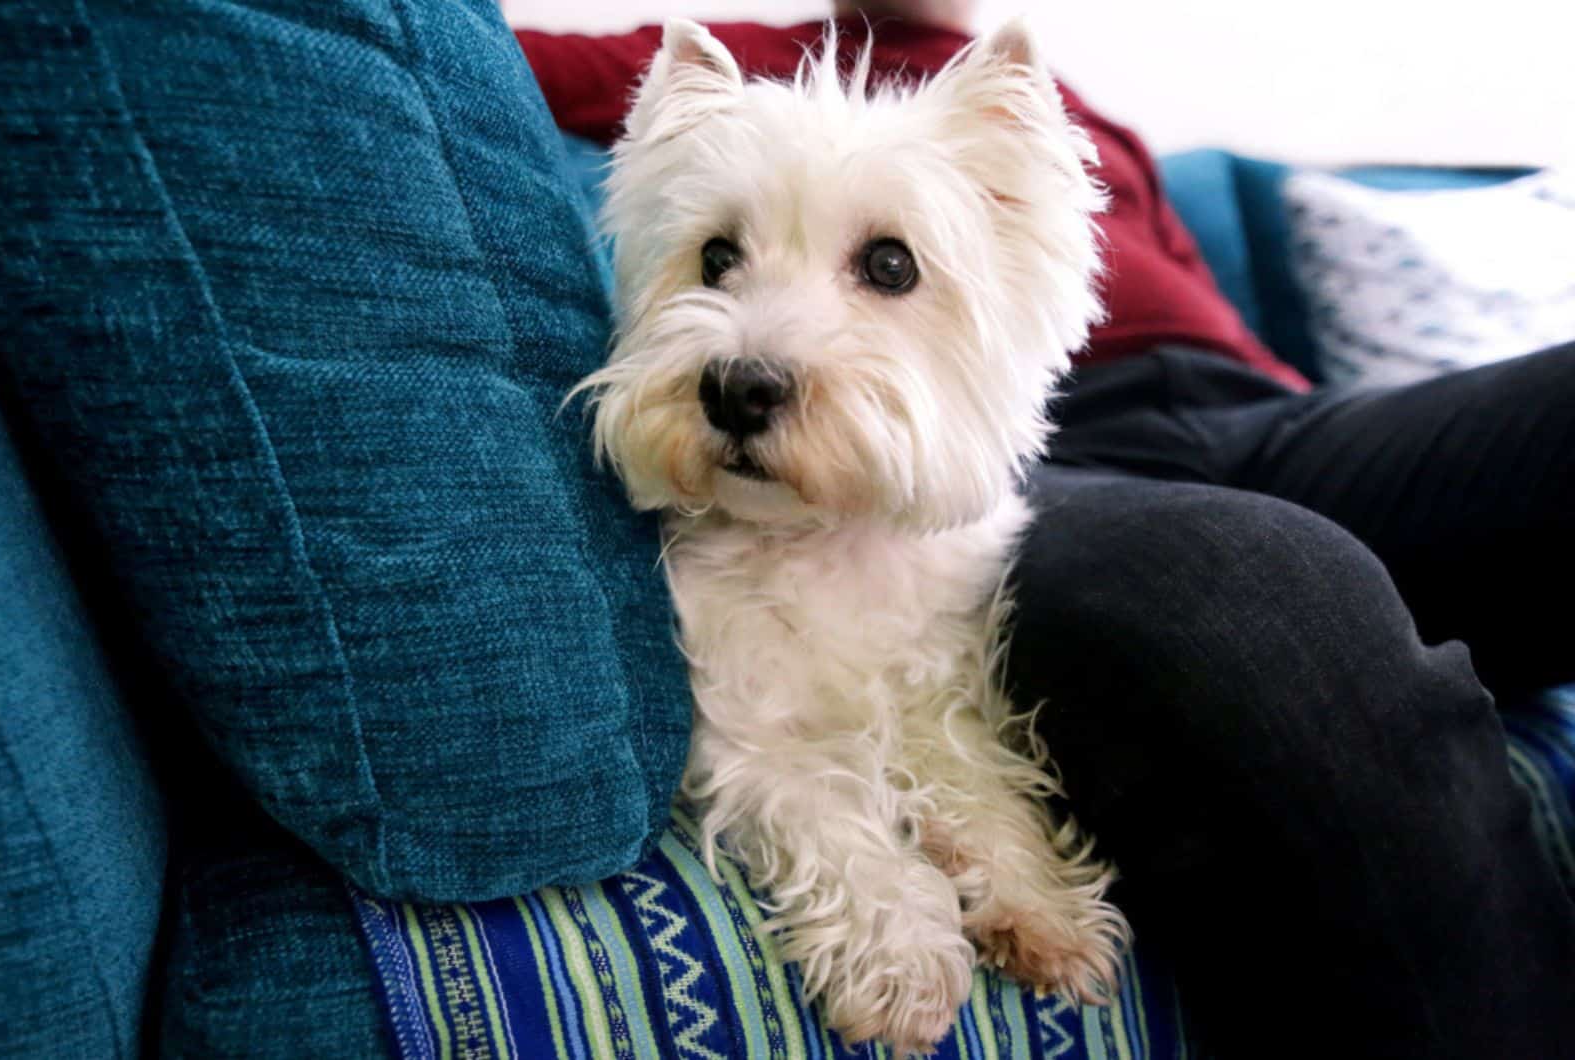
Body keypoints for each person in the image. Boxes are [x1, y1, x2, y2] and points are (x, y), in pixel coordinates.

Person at [513, 6, 1575, 1058]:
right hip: (1074, 455)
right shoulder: (738, 66)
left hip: (1277, 417)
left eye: (883, 265)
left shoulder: (1081, 125)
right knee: (1266, 588)